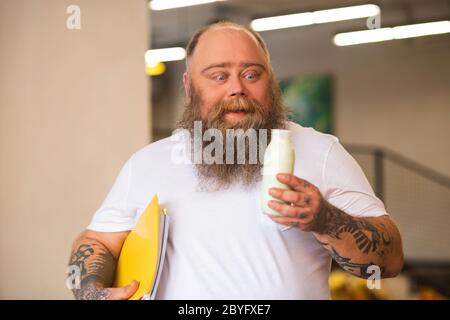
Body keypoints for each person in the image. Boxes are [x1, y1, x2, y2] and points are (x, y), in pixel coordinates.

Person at [68, 21, 403, 300]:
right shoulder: (147, 164)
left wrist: (326, 220)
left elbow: (389, 261)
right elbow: (99, 241)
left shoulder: (322, 152)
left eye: (252, 74)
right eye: (218, 76)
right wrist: (89, 289)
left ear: (269, 82)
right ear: (188, 87)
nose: (237, 89)